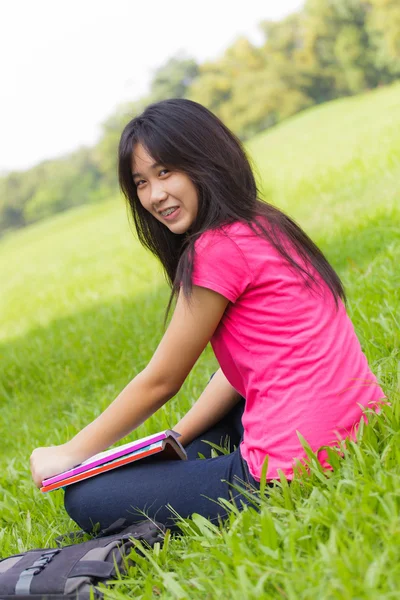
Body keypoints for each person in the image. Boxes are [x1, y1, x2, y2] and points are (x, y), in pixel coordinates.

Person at [30, 98, 385, 533]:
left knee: (86, 496)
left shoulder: (215, 250)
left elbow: (162, 380)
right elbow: (239, 374)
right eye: (141, 182)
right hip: (353, 428)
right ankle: (178, 464)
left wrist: (69, 452)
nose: (155, 195)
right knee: (210, 423)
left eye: (166, 172)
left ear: (206, 160)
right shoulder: (264, 223)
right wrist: (175, 439)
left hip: (290, 471)